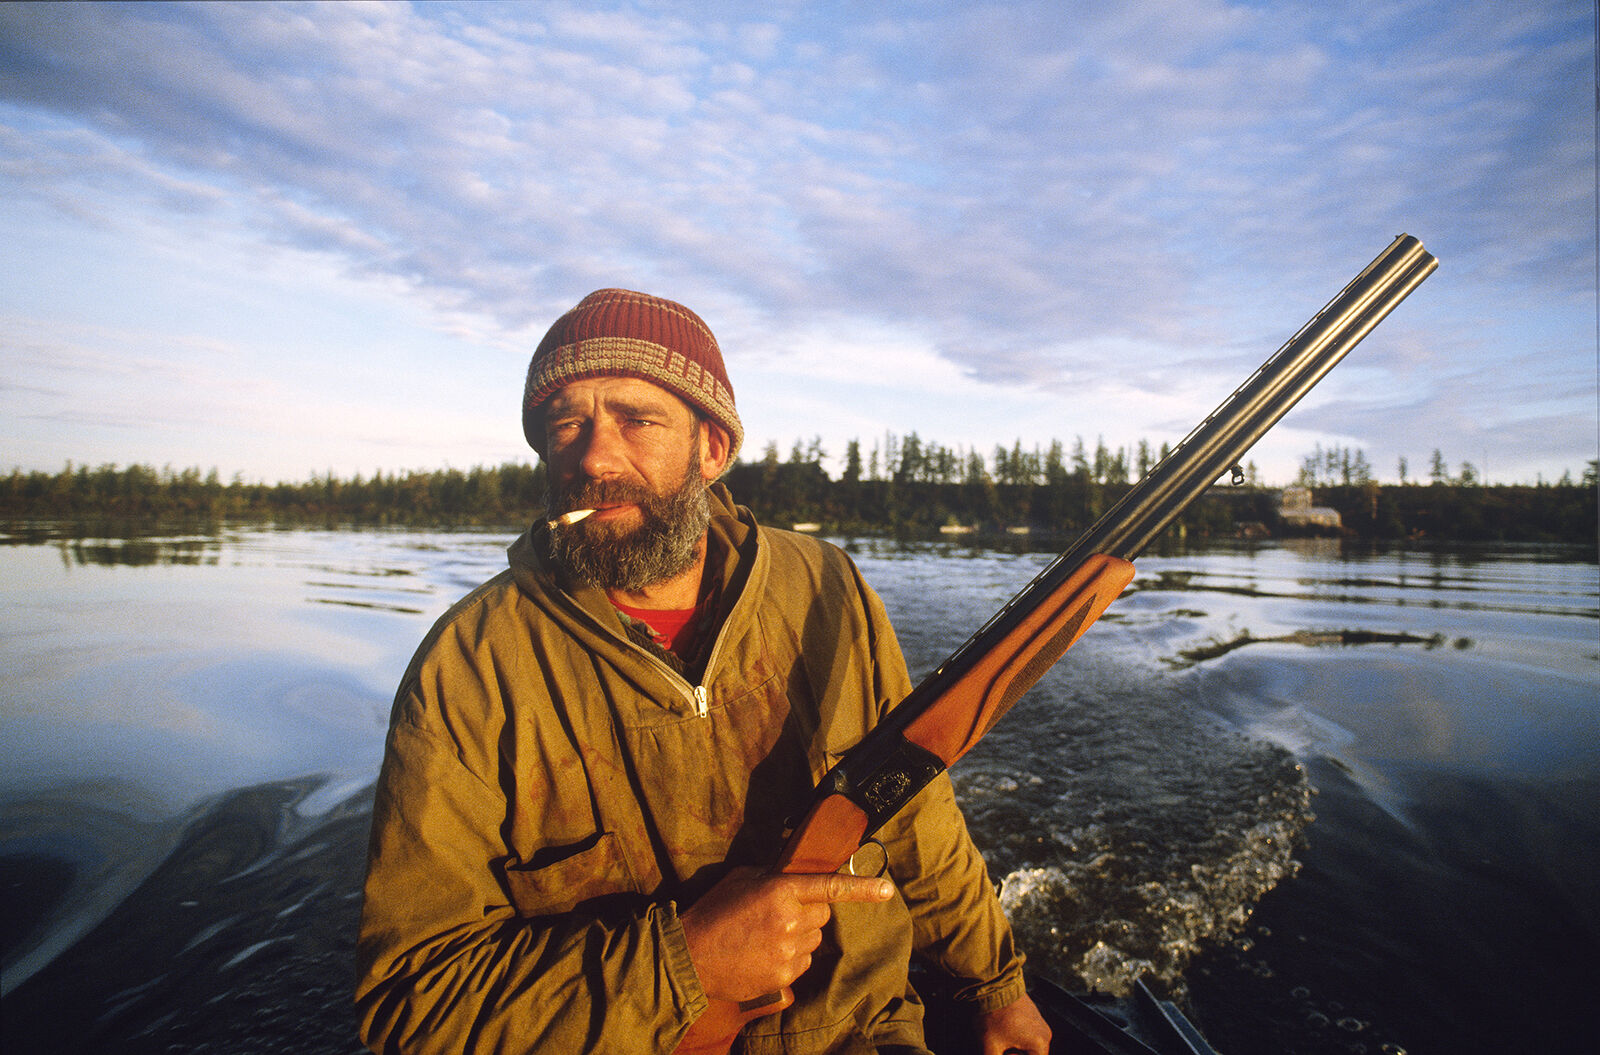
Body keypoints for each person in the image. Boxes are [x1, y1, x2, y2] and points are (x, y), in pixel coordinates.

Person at [355, 288, 1051, 1054]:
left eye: (636, 419)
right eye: (566, 425)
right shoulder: (471, 666)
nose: (594, 455)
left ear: (712, 449)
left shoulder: (826, 587)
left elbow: (913, 806)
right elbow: (411, 1004)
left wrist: (995, 989)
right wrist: (681, 965)